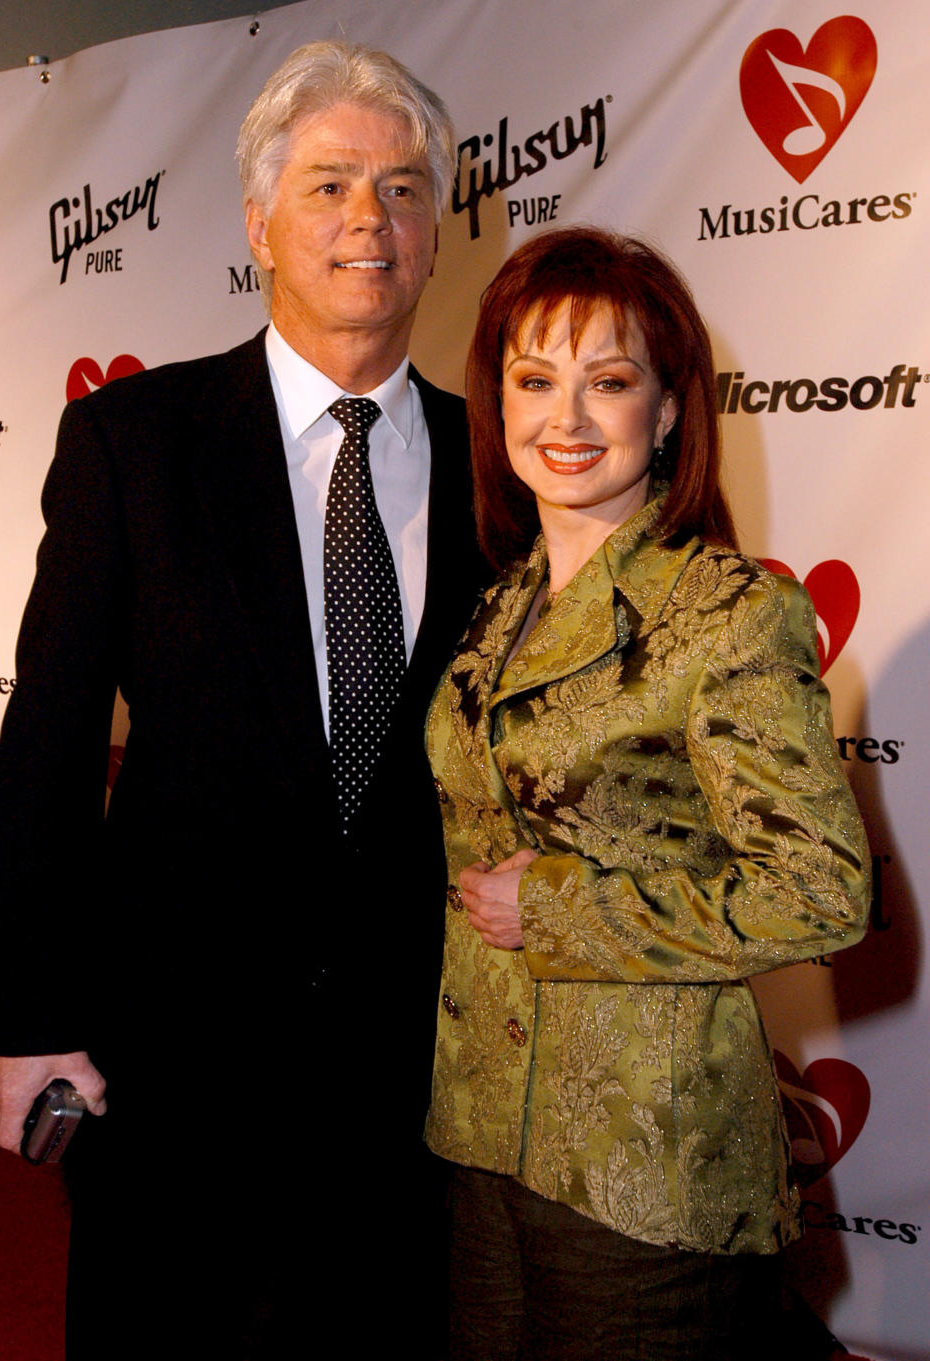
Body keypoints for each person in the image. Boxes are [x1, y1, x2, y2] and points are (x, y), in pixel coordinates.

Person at [0, 41, 483, 1358]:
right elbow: (45, 740)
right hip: (175, 1074)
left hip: (423, 1084)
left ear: (438, 231)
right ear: (257, 221)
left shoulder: (511, 469)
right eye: (328, 186)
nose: (370, 220)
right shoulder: (132, 444)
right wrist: (27, 1020)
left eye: (405, 188)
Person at [425, 227, 871, 1360]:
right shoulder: (497, 600)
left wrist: (566, 908)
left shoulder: (726, 610)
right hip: (478, 1132)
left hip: (646, 1155)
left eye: (609, 381)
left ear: (669, 410)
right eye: (534, 380)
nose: (565, 418)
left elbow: (819, 892)